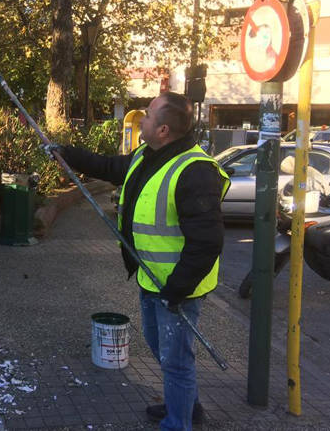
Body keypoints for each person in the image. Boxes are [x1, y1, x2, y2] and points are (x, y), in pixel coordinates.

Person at [47, 92, 229, 431]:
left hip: (178, 288)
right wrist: (68, 155)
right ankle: (186, 406)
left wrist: (177, 289)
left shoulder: (196, 172)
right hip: (152, 278)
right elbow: (110, 167)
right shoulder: (148, 154)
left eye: (147, 116)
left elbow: (207, 242)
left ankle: (180, 423)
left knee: (175, 361)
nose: (140, 120)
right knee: (163, 350)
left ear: (163, 130)